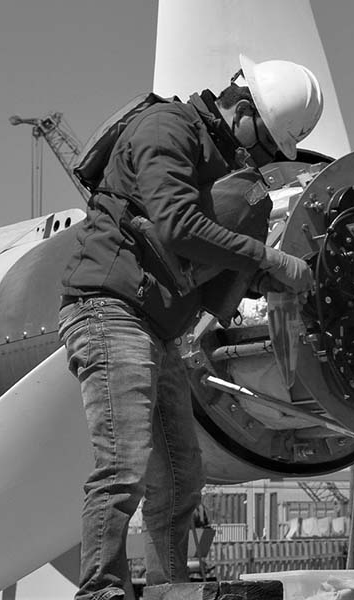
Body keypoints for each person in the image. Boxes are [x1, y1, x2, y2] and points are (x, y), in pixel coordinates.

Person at [58, 54, 323, 600]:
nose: (264, 157)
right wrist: (268, 260)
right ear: (242, 109)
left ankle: (168, 585)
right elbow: (177, 225)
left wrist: (266, 282)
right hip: (110, 310)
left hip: (151, 325)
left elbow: (206, 266)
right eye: (268, 144)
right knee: (125, 461)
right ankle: (101, 589)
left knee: (181, 472)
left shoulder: (221, 166)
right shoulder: (167, 129)